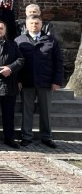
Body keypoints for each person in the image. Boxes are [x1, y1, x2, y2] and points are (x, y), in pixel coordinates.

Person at [15, 16, 63, 149]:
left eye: (37, 23)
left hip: (45, 81)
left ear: (42, 25)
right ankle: (26, 136)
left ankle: (46, 137)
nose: (34, 25)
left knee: (45, 111)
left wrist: (57, 81)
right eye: (31, 23)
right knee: (27, 110)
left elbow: (58, 62)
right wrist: (18, 79)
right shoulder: (19, 41)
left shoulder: (51, 41)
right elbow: (16, 62)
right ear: (26, 25)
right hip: (27, 81)